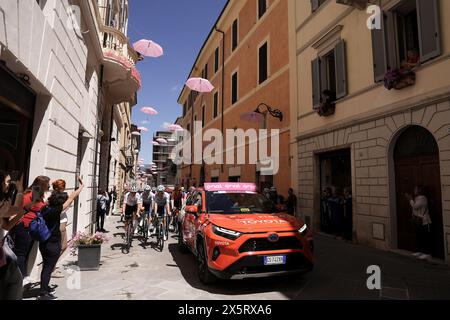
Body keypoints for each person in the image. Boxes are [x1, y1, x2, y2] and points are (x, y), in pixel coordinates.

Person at [37, 176, 84, 300]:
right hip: (52, 242)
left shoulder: (45, 207)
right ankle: (43, 293)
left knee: (46, 265)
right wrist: (81, 186)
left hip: (43, 242)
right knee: (48, 267)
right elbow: (72, 197)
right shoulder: (57, 210)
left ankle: (44, 288)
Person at [10, 175, 50, 286]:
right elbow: (35, 207)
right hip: (24, 226)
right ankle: (21, 278)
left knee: (26, 253)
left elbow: (39, 206)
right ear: (42, 185)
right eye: (47, 184)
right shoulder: (31, 194)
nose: (49, 186)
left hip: (30, 227)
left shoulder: (36, 193)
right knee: (21, 253)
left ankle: (24, 276)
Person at [0, 171, 24, 300]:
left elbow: (5, 226)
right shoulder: (2, 205)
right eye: (8, 181)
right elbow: (16, 209)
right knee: (15, 282)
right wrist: (19, 190)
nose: (10, 184)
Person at [406, 185, 432, 261]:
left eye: (416, 189)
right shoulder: (418, 198)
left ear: (420, 190)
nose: (414, 190)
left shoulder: (422, 198)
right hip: (419, 221)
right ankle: (420, 252)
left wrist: (410, 199)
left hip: (424, 221)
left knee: (425, 237)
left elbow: (415, 207)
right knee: (419, 236)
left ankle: (427, 254)